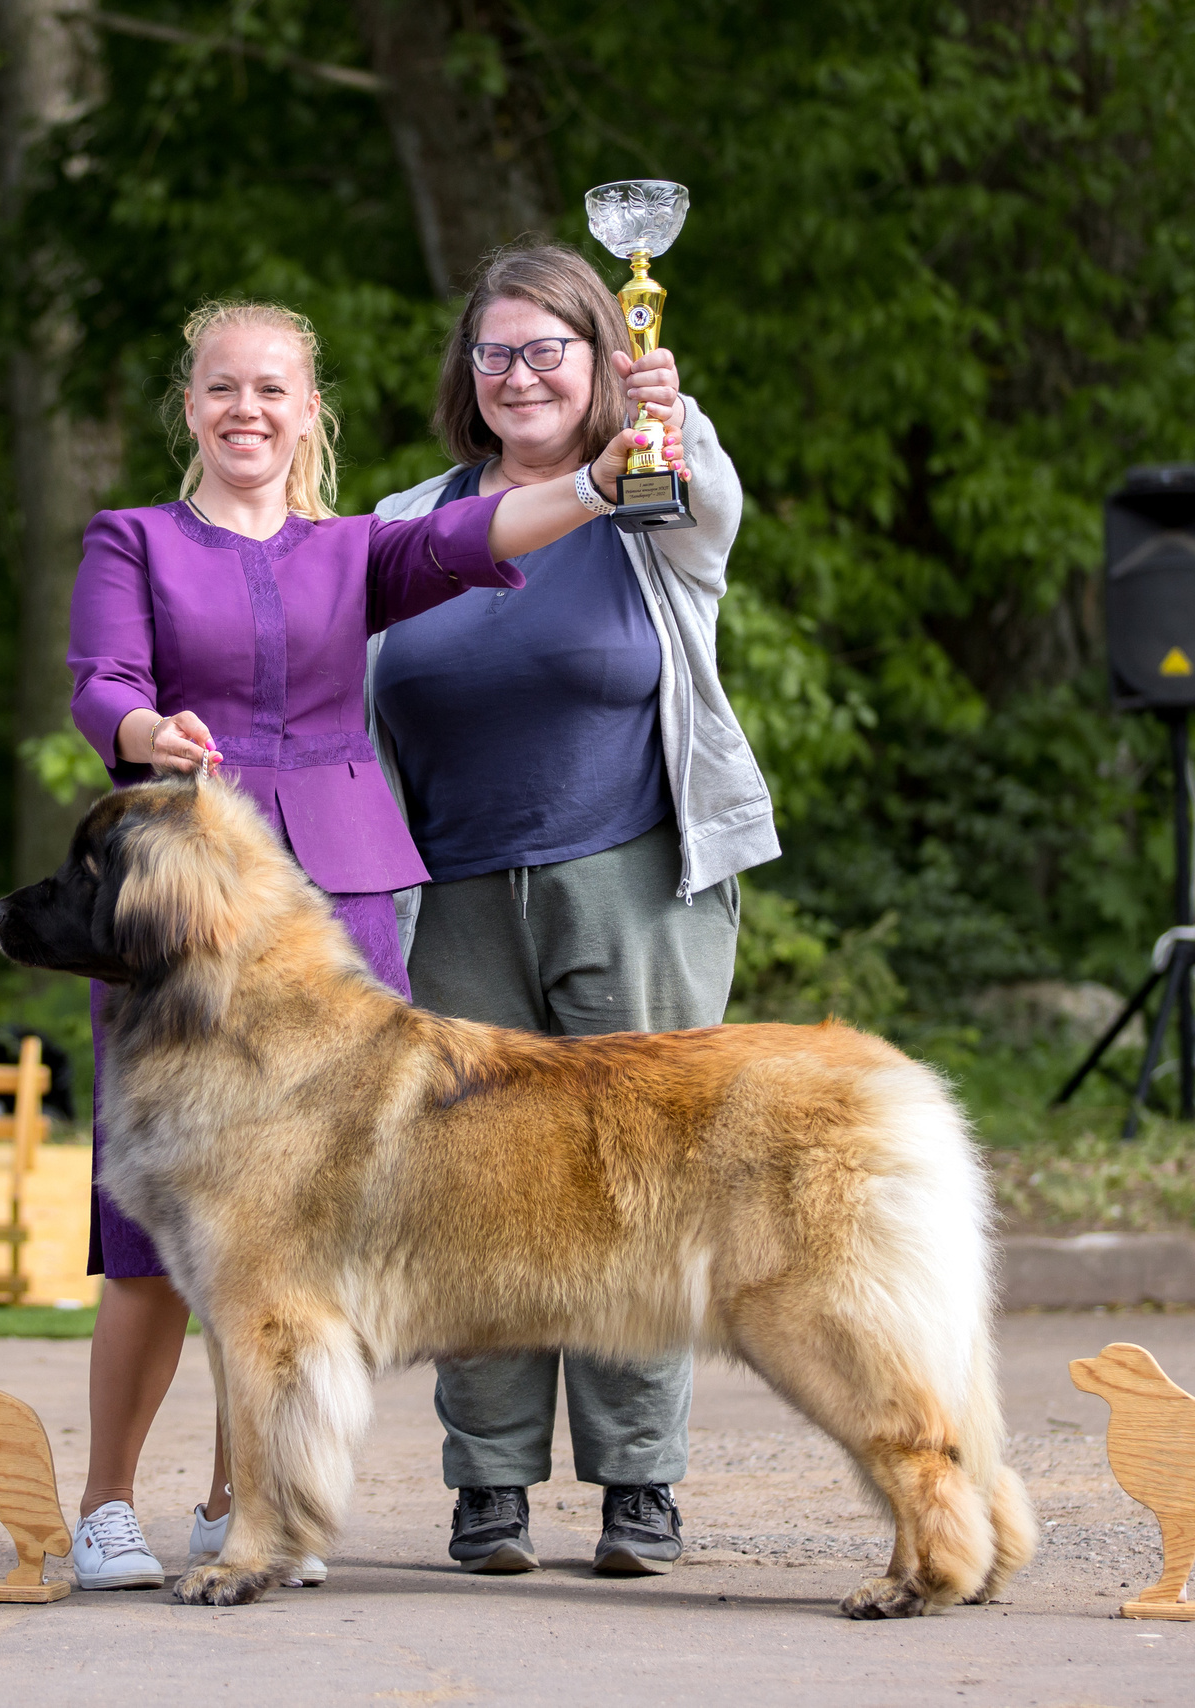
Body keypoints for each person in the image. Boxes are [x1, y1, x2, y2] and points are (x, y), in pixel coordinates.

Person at [61, 297, 681, 1593]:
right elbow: (100, 683)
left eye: (273, 390)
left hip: (338, 902)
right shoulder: (131, 540)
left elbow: (475, 532)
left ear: (309, 412)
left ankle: (250, 1506)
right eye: (224, 388)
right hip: (181, 903)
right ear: (192, 408)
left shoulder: (358, 549)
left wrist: (598, 479)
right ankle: (106, 1506)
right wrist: (145, 737)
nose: (247, 410)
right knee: (152, 1233)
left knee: (300, 1235)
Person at [366, 243, 777, 1577]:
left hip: (636, 886)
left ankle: (639, 1487)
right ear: (467, 375)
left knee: (637, 1189)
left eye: (552, 348)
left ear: (604, 359)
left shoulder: (649, 497)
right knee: (466, 1194)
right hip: (450, 902)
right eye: (498, 352)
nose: (523, 374)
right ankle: (488, 1484)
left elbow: (708, 500)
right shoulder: (408, 518)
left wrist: (674, 412)